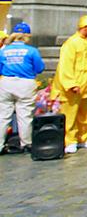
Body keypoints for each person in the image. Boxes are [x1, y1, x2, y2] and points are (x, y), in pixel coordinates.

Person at [51, 15, 87, 154]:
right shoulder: (71, 43)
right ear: (85, 27)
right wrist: (71, 83)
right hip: (74, 87)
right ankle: (70, 140)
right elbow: (65, 65)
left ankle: (84, 138)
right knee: (70, 114)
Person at [0, 23, 45, 152]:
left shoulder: (4, 50)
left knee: (3, 116)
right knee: (25, 116)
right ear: (27, 36)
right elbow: (39, 68)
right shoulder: (32, 51)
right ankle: (26, 143)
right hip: (25, 83)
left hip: (6, 82)